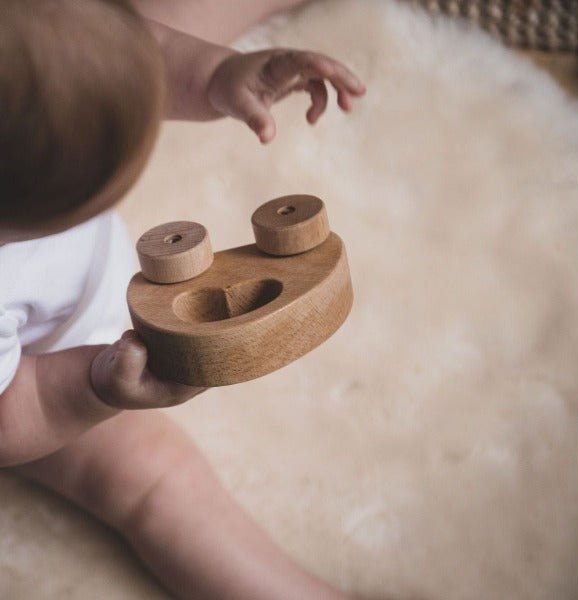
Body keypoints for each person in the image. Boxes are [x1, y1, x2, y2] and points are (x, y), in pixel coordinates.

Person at [0, 0, 365, 598]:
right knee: (155, 485)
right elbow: (10, 413)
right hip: (46, 363)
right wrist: (92, 388)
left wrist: (219, 76)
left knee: (99, 46)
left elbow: (129, 42)